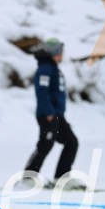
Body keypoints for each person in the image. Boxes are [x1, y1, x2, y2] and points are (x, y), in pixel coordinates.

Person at [24, 38, 79, 186]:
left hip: (57, 115)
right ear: (54, 53)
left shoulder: (52, 68)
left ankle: (62, 178)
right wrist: (48, 112)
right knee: (45, 145)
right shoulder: (45, 69)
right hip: (48, 115)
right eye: (60, 52)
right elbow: (41, 91)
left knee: (71, 142)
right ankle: (28, 178)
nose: (62, 55)